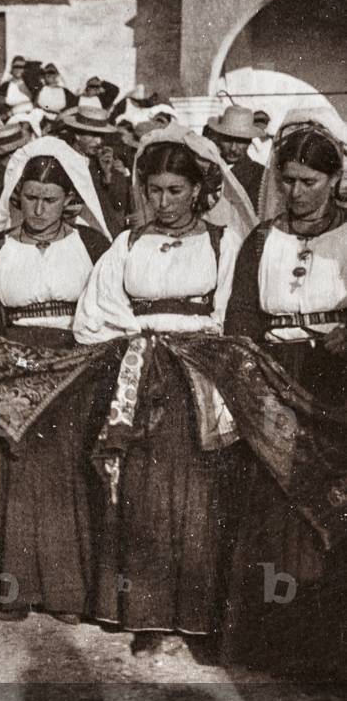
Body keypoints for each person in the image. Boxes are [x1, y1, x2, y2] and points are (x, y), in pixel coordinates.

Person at [73, 135, 243, 656]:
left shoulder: (222, 242)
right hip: (140, 372)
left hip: (200, 374)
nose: (164, 202)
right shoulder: (127, 243)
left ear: (198, 190)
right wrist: (135, 342)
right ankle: (146, 612)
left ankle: (196, 614)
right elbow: (94, 312)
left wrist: (192, 347)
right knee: (142, 492)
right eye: (154, 191)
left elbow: (232, 312)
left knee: (198, 492)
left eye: (176, 190)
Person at [225, 111, 347, 670]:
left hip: (332, 381)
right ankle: (267, 642)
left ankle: (323, 647)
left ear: (335, 180)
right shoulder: (261, 238)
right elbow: (242, 317)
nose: (297, 192)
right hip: (271, 377)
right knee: (270, 506)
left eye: (310, 182)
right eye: (289, 179)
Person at [0, 138, 111, 621]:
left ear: (69, 200)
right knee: (13, 471)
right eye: (29, 197)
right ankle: (13, 590)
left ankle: (66, 592)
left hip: (74, 366)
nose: (37, 208)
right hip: (13, 362)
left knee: (62, 473)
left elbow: (107, 305)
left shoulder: (92, 245)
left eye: (49, 199)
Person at [60, 104, 132, 237]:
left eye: (101, 136)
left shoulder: (101, 161)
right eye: (93, 135)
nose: (98, 141)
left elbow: (119, 204)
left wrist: (108, 174)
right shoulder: (64, 161)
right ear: (77, 135)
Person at [203, 105, 265, 210]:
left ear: (249, 142)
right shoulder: (207, 169)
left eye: (240, 141)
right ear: (218, 138)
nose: (233, 148)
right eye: (227, 139)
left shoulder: (260, 175)